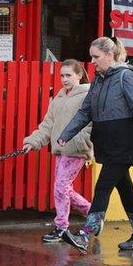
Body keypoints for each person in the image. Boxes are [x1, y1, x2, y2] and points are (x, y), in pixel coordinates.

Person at [57, 36, 133, 252]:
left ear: (110, 55)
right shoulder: (99, 80)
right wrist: (66, 134)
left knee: (103, 186)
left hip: (124, 141)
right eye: (91, 57)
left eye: (96, 57)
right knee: (125, 188)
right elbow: (86, 111)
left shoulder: (126, 77)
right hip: (106, 141)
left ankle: (85, 234)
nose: (92, 61)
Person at [22, 59, 94, 243]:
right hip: (61, 150)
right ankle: (92, 213)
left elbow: (92, 124)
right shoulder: (59, 98)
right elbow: (48, 125)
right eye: (62, 75)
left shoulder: (88, 96)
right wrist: (33, 141)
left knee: (61, 187)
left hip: (76, 150)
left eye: (69, 75)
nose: (64, 79)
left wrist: (80, 141)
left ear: (79, 75)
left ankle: (62, 227)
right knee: (63, 188)